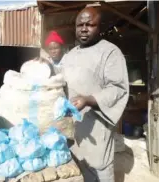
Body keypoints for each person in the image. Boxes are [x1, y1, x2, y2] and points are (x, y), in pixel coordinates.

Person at [60, 7, 129, 182]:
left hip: (96, 127)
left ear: (100, 27)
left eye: (90, 24)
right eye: (80, 25)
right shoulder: (70, 55)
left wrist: (89, 100)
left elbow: (118, 89)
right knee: (77, 168)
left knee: (99, 171)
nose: (84, 29)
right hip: (73, 127)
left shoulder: (110, 53)